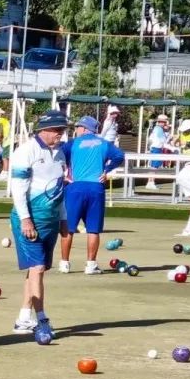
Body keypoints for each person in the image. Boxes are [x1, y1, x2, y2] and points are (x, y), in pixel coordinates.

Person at [7, 109, 69, 336]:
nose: (61, 135)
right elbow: (18, 190)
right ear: (44, 130)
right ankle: (42, 318)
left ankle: (23, 318)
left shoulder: (60, 153)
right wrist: (25, 220)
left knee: (35, 271)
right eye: (57, 130)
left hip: (51, 220)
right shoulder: (25, 151)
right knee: (38, 268)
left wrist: (63, 220)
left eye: (63, 130)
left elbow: (58, 189)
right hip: (30, 219)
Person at [60, 116, 125, 275]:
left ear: (83, 128)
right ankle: (90, 265)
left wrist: (64, 175)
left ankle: (64, 264)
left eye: (77, 127)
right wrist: (107, 171)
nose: (76, 130)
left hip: (75, 188)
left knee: (68, 228)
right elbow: (119, 156)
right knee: (93, 229)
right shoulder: (104, 144)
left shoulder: (73, 144)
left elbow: (59, 156)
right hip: (96, 188)